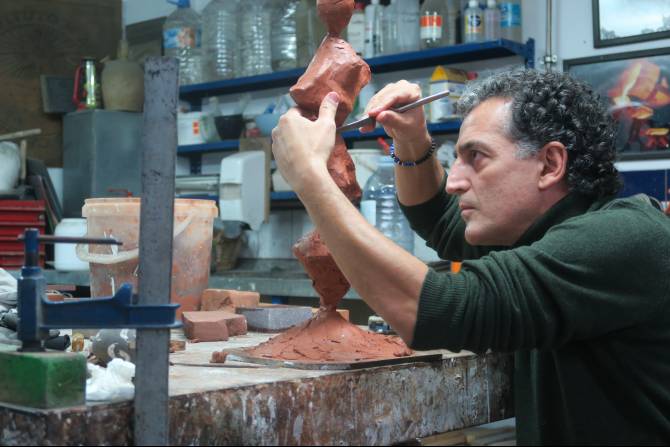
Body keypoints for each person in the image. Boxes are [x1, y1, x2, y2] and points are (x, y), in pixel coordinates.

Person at [271, 69, 670, 444]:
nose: (455, 182)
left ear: (550, 164)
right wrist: (411, 138)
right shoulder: (539, 232)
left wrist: (310, 176)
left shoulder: (626, 237)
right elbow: (439, 219)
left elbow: (443, 310)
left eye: (476, 156)